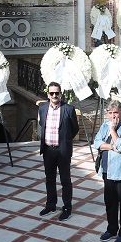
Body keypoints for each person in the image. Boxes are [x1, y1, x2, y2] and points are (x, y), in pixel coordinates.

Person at [94, 99, 121, 242]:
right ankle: (111, 229)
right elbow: (96, 143)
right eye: (110, 113)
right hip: (107, 170)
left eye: (116, 113)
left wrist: (112, 131)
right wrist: (111, 147)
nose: (113, 116)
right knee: (110, 202)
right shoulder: (105, 125)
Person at [38, 81, 80, 221]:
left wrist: (65, 140)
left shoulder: (68, 109)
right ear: (48, 94)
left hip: (62, 151)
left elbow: (75, 128)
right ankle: (51, 205)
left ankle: (67, 208)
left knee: (65, 180)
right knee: (49, 179)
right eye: (52, 93)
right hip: (48, 150)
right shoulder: (43, 109)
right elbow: (41, 125)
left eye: (57, 93)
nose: (54, 95)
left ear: (61, 94)